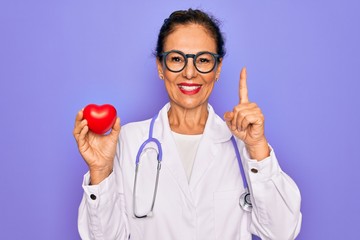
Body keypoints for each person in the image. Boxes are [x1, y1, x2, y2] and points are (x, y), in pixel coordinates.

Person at [73, 8, 302, 240]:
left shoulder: (245, 145)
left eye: (203, 60)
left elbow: (282, 232)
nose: (190, 72)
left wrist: (258, 147)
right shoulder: (128, 142)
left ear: (218, 68)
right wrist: (100, 171)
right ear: (160, 67)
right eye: (176, 59)